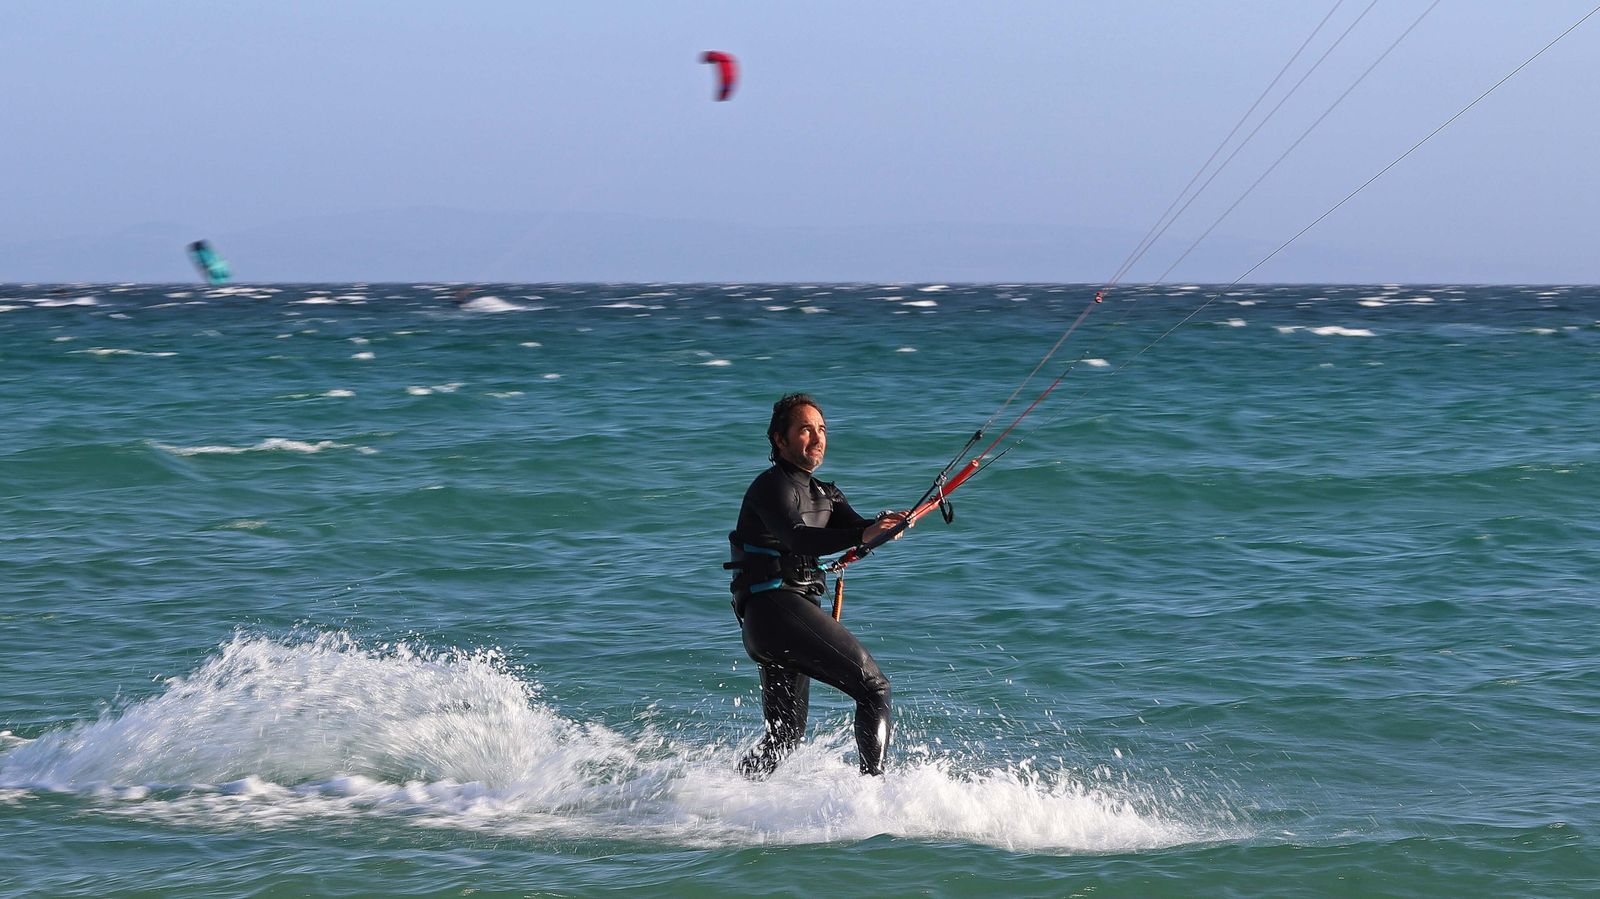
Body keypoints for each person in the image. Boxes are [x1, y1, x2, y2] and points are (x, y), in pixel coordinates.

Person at [725, 393, 910, 777]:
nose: (818, 437)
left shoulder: (827, 494)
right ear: (780, 440)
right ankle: (874, 793)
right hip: (774, 610)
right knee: (874, 688)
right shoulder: (770, 487)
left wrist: (886, 527)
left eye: (822, 429)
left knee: (784, 739)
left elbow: (857, 529)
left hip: (782, 621)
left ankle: (722, 795)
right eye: (805, 429)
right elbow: (797, 537)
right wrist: (863, 534)